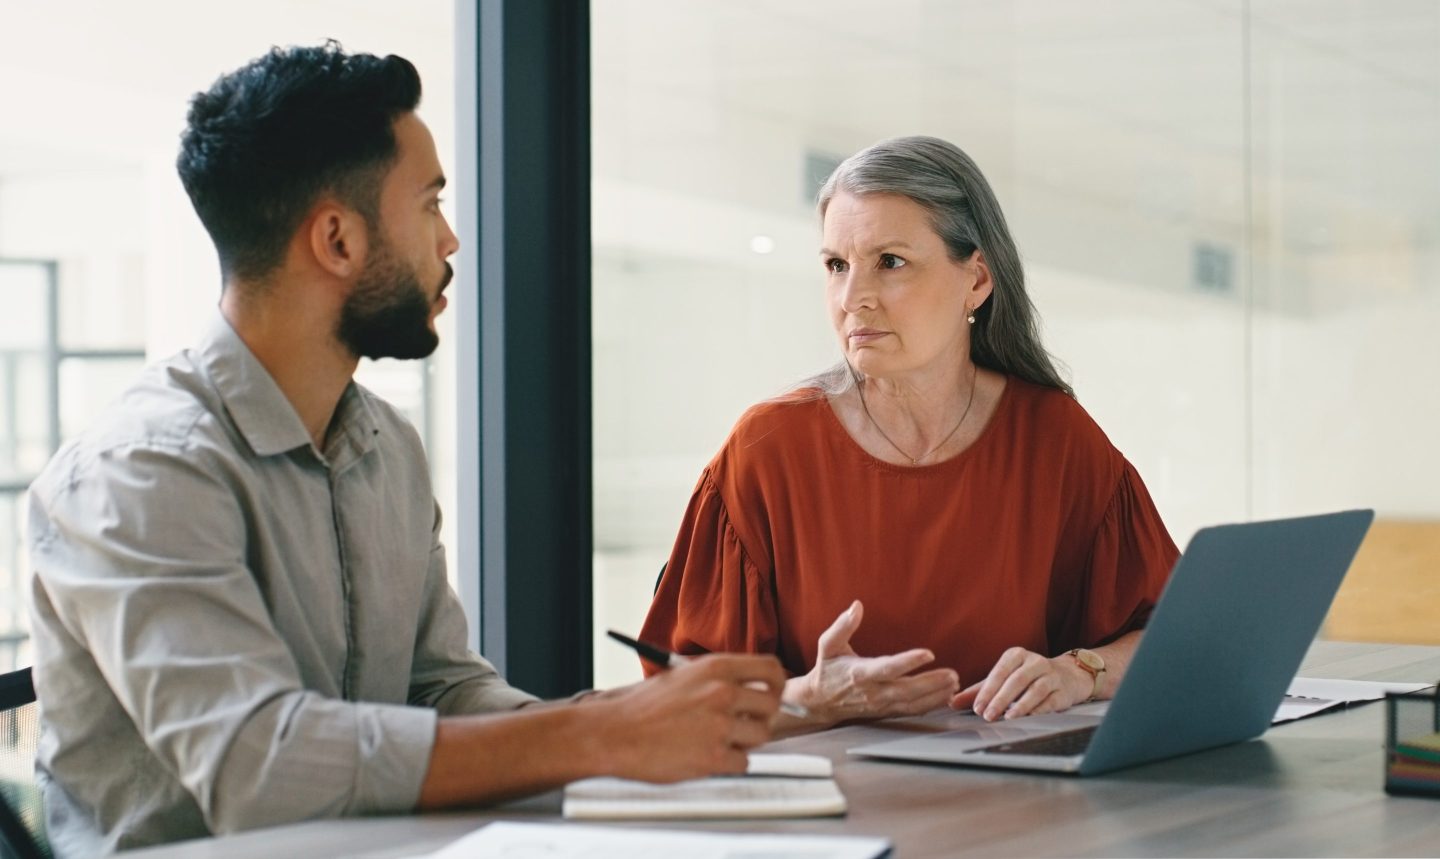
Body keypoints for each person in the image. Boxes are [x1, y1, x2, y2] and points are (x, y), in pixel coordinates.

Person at [26, 43, 784, 857]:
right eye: (429, 205)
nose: (452, 239)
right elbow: (259, 768)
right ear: (337, 241)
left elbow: (442, 690)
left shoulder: (387, 445)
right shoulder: (141, 470)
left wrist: (670, 723)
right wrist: (604, 737)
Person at [640, 135, 1178, 735]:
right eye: (836, 266)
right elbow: (677, 704)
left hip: (1020, 806)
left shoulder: (1055, 438)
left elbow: (1173, 633)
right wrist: (811, 699)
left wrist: (1082, 670)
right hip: (835, 812)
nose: (852, 299)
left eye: (889, 262)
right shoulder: (767, 450)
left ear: (975, 280)